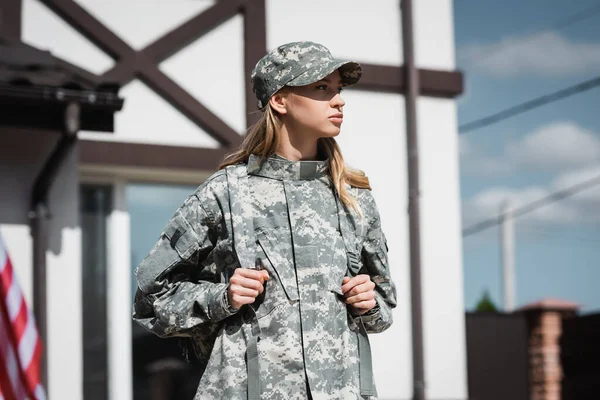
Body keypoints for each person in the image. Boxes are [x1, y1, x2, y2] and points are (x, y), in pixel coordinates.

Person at [133, 41, 397, 400]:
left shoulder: (354, 195)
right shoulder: (225, 193)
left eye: (338, 90)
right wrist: (221, 297)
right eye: (321, 88)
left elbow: (383, 306)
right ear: (279, 100)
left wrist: (369, 301)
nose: (339, 101)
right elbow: (151, 298)